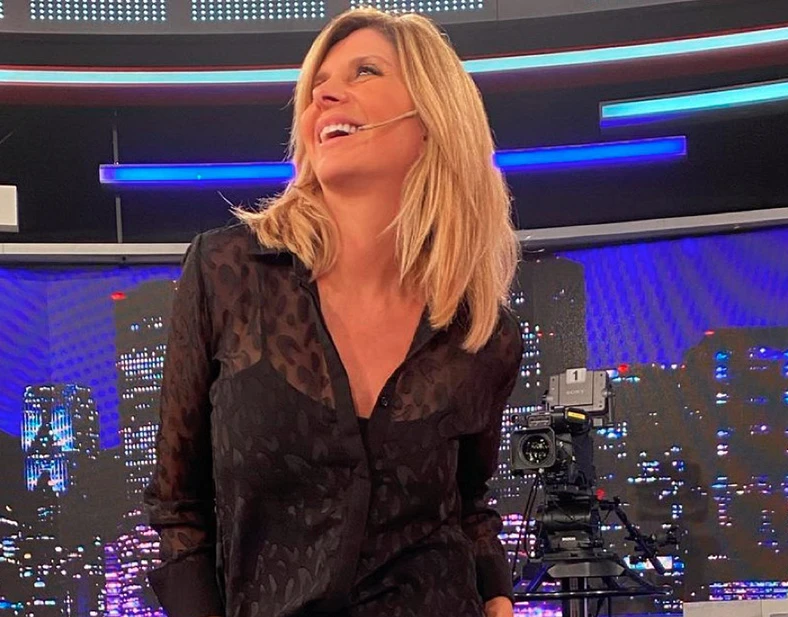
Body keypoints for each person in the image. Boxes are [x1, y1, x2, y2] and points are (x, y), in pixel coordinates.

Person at [143, 7, 523, 617]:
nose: (324, 94)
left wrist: (498, 594)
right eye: (316, 85)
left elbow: (468, 505)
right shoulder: (226, 273)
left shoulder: (483, 333)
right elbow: (177, 508)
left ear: (433, 118)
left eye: (364, 71)